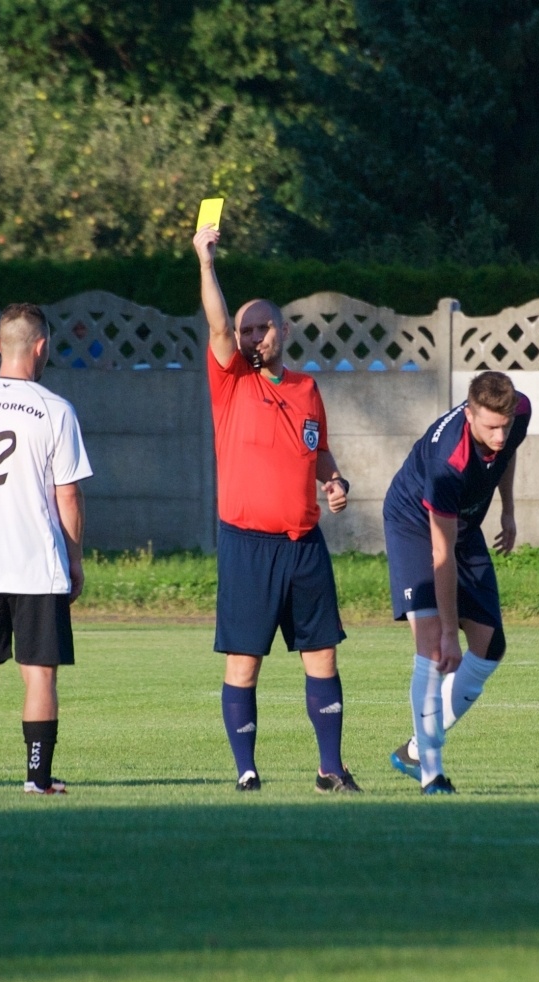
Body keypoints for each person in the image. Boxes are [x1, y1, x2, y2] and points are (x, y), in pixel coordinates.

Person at [192, 223, 357, 794]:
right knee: (244, 664)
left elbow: (316, 449)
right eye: (247, 330)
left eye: (264, 327)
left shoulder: (308, 389)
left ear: (283, 331)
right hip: (247, 542)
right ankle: (246, 769)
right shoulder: (230, 381)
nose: (255, 336)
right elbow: (215, 322)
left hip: (304, 544)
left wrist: (333, 482)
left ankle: (329, 769)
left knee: (324, 657)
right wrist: (205, 262)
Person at [0, 303, 91, 795]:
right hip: (35, 564)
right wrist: (74, 559)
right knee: (38, 674)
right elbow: (67, 494)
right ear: (42, 346)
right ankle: (36, 780)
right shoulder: (54, 409)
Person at [382, 371, 530, 794]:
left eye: (505, 425)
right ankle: (431, 773)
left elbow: (509, 451)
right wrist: (449, 634)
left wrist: (507, 510)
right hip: (414, 523)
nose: (500, 435)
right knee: (432, 647)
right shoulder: (449, 461)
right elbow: (440, 554)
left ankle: (413, 749)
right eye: (490, 427)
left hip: (463, 524)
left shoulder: (518, 412)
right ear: (469, 414)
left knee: (489, 646)